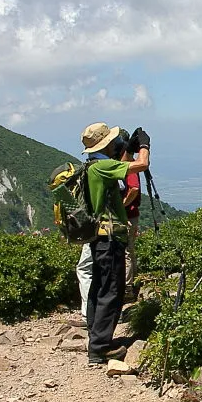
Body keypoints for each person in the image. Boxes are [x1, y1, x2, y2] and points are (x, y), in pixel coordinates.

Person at [79, 122, 151, 365]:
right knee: (112, 291)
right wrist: (144, 145)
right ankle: (100, 349)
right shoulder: (103, 167)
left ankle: (94, 337)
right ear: (107, 144)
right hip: (110, 238)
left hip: (98, 237)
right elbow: (141, 165)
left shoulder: (92, 166)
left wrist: (125, 151)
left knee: (98, 288)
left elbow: (120, 165)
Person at [121, 152, 142, 297]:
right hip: (131, 214)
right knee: (129, 250)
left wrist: (122, 206)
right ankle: (133, 283)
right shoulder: (130, 165)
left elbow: (134, 188)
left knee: (126, 251)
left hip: (128, 215)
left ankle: (128, 289)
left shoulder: (129, 167)